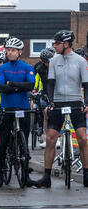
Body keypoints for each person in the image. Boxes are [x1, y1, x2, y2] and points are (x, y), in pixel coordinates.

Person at [37, 30, 88, 188]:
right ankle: (46, 176)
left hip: (75, 101)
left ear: (66, 44)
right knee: (51, 138)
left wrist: (86, 102)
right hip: (58, 102)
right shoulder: (53, 61)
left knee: (83, 138)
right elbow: (50, 83)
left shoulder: (80, 61)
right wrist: (51, 102)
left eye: (57, 43)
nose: (54, 46)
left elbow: (86, 85)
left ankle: (86, 174)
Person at [0, 37, 36, 188]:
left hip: (23, 109)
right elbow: (0, 87)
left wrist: (12, 84)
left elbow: (30, 85)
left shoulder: (27, 67)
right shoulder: (2, 68)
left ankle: (26, 175)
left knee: (24, 146)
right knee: (2, 142)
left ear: (20, 52)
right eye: (8, 50)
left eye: (13, 50)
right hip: (7, 109)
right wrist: (19, 87)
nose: (10, 53)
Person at [34, 48, 55, 149]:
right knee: (45, 113)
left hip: (56, 92)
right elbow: (39, 81)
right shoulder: (40, 68)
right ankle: (46, 136)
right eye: (46, 62)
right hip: (45, 92)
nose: (48, 64)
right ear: (42, 61)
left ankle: (58, 137)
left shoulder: (55, 66)